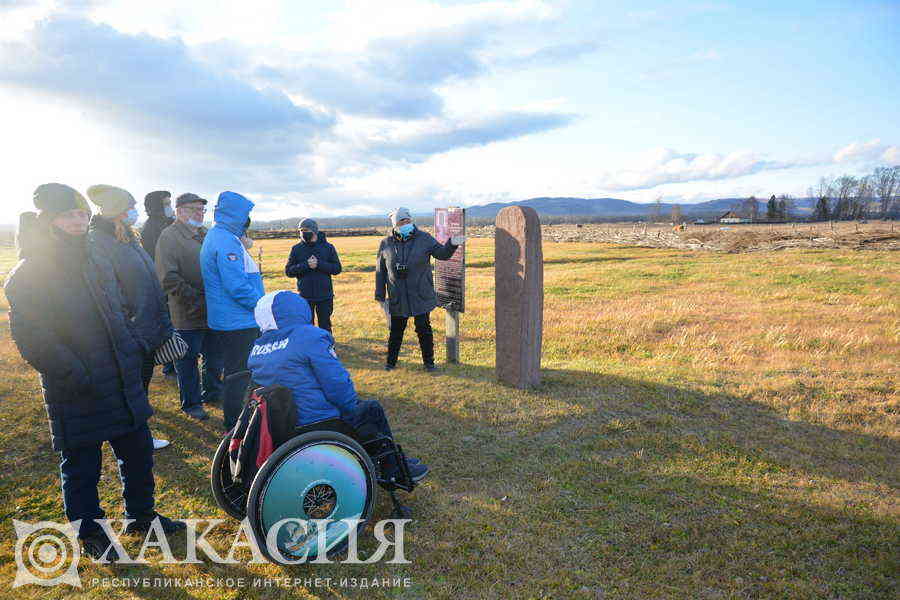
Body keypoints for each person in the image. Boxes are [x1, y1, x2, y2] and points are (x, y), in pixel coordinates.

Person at [4, 183, 184, 560]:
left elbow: (117, 306)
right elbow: (33, 339)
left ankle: (142, 516)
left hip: (122, 375)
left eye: (83, 214)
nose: (78, 221)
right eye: (69, 215)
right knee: (82, 467)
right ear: (50, 220)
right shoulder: (29, 274)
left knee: (137, 455)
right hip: (78, 387)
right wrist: (74, 374)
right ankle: (91, 534)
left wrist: (132, 345)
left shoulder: (97, 258)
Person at [247, 290, 428, 481]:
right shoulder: (311, 336)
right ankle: (394, 470)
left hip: (281, 425)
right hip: (318, 422)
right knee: (371, 409)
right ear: (298, 309)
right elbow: (337, 385)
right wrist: (352, 405)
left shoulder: (257, 349)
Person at [87, 184, 173, 451]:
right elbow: (109, 291)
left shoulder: (126, 238)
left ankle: (137, 437)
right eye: (129, 208)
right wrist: (132, 326)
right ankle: (135, 439)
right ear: (117, 213)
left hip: (146, 327)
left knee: (140, 388)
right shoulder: (99, 242)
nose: (134, 212)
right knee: (133, 390)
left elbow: (145, 279)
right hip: (133, 332)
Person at [155, 193, 223, 421]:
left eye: (202, 210)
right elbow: (169, 278)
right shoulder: (169, 237)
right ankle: (191, 403)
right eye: (194, 209)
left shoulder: (204, 235)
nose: (199, 214)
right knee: (187, 359)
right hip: (187, 312)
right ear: (179, 211)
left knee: (214, 356)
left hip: (212, 309)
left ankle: (213, 393)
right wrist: (196, 301)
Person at [200, 191, 265, 430]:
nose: (248, 218)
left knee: (237, 372)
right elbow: (237, 286)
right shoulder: (225, 240)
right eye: (246, 214)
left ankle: (239, 421)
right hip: (238, 321)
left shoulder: (221, 236)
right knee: (239, 375)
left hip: (232, 318)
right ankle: (236, 426)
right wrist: (262, 306)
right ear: (236, 215)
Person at [374, 207, 465, 372]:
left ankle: (429, 364)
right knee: (396, 332)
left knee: (424, 329)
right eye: (402, 221)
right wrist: (380, 296)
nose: (406, 223)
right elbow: (380, 272)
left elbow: (442, 254)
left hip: (420, 294)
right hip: (398, 296)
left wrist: (452, 243)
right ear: (395, 225)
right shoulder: (386, 244)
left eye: (408, 220)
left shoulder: (424, 239)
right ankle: (390, 363)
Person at [141, 190, 177, 381]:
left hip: (171, 281)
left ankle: (173, 362)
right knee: (168, 323)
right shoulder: (152, 228)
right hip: (163, 284)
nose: (169, 207)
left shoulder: (167, 224)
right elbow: (157, 259)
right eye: (166, 203)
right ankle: (170, 365)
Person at [285, 218, 342, 333]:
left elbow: (337, 268)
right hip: (305, 296)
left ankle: (326, 349)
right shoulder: (296, 249)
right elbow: (288, 271)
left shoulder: (328, 247)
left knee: (325, 326)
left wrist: (319, 264)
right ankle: (309, 350)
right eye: (300, 230)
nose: (302, 233)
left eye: (305, 230)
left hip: (325, 296)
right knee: (307, 327)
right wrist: (306, 265)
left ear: (314, 231)